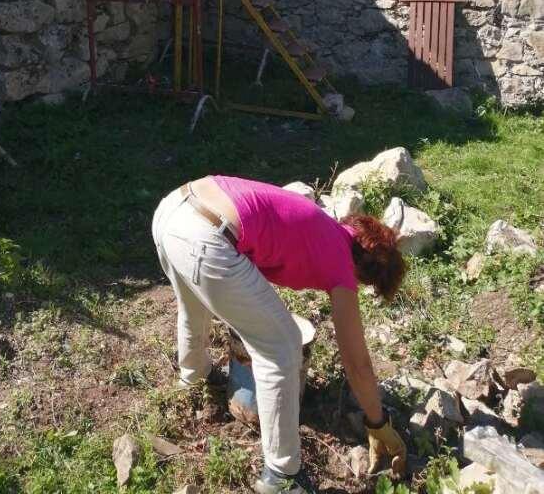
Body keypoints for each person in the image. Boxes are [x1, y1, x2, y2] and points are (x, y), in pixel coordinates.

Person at [152, 176, 408, 494]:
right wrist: (377, 422)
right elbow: (358, 365)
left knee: (194, 303)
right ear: (367, 269)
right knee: (283, 347)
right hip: (205, 236)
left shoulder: (321, 226)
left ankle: (194, 375)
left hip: (172, 210)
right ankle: (282, 475)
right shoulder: (341, 259)